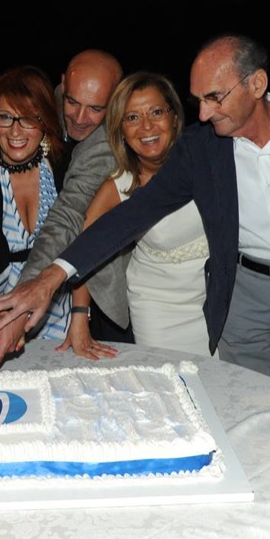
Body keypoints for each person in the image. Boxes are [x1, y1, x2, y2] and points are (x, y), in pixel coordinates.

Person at [0, 34, 270, 418]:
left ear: (256, 84)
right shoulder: (202, 147)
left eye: (214, 98)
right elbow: (131, 215)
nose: (203, 114)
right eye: (198, 101)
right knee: (245, 409)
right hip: (242, 295)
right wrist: (50, 278)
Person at [59, 71, 209, 360]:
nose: (146, 126)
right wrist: (79, 315)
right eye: (132, 118)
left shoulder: (207, 163)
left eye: (156, 112)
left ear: (174, 117)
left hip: (218, 303)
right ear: (121, 131)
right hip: (157, 311)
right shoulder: (119, 185)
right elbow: (85, 246)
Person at [11, 49, 132, 351]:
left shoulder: (105, 142)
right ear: (63, 85)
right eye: (73, 102)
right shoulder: (43, 106)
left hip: (97, 285)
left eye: (95, 108)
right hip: (36, 266)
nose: (79, 118)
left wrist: (26, 293)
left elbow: (70, 216)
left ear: (115, 101)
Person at [0, 65, 70, 346]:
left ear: (45, 122)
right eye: (6, 117)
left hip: (59, 307)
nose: (15, 131)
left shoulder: (63, 164)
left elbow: (83, 237)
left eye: (28, 118)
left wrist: (82, 315)